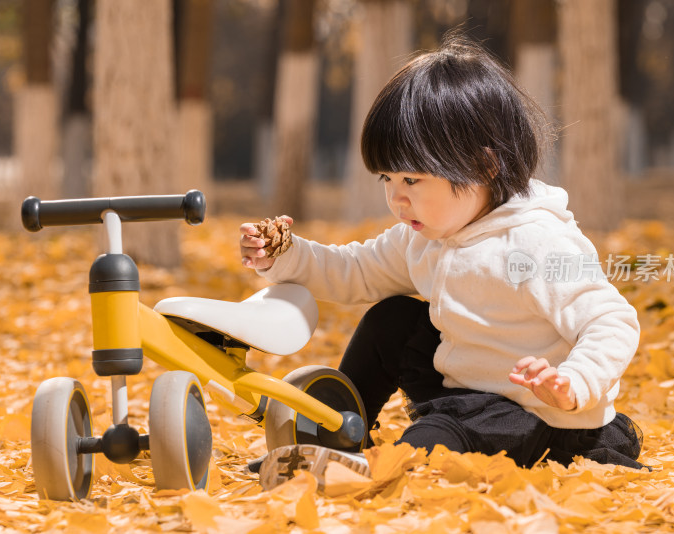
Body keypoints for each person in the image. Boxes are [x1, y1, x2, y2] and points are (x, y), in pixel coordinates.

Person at [239, 34, 645, 491]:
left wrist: (573, 383)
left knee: (441, 436)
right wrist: (286, 255)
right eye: (387, 178)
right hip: (464, 387)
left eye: (413, 178)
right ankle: (339, 431)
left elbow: (612, 320)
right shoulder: (425, 236)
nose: (396, 197)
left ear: (484, 167)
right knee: (391, 319)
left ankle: (381, 469)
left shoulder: (535, 243)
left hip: (534, 413)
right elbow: (353, 271)